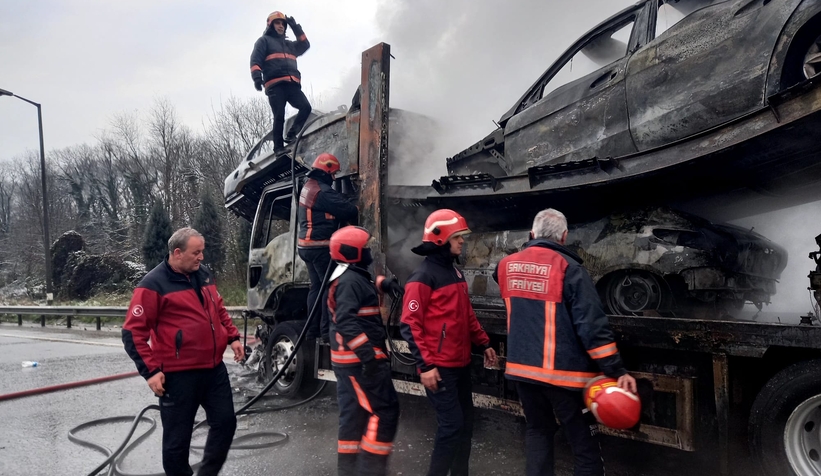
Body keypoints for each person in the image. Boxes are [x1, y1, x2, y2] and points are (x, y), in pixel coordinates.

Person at [493, 208, 637, 476]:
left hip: (522, 373)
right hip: (564, 378)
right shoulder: (570, 269)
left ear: (531, 234)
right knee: (584, 448)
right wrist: (615, 370)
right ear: (564, 237)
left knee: (538, 433)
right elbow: (592, 327)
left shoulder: (506, 266)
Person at [122, 227, 245, 476]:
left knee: (225, 423)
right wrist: (151, 372)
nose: (201, 257)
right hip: (178, 376)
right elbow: (133, 333)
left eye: (202, 252)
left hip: (213, 370)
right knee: (177, 442)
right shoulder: (152, 285)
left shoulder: (204, 275)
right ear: (177, 253)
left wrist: (232, 336)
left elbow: (218, 309)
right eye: (196, 252)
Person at [400, 209, 498, 476]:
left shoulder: (455, 275)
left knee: (465, 426)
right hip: (440, 369)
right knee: (452, 427)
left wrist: (484, 343)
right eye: (458, 236)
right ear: (441, 238)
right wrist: (426, 366)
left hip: (460, 365)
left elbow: (466, 315)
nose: (462, 241)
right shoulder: (422, 278)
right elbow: (410, 324)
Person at [327, 226, 403, 476]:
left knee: (353, 419)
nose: (369, 251)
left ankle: (347, 471)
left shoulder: (350, 275)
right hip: (358, 365)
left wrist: (384, 284)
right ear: (353, 252)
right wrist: (369, 357)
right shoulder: (349, 281)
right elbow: (346, 321)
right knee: (385, 412)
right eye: (365, 247)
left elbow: (364, 284)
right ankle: (371, 470)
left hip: (349, 364)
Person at [298, 152, 358, 340]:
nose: (333, 178)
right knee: (329, 287)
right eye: (332, 174)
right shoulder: (322, 192)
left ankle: (312, 331)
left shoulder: (309, 186)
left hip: (306, 247)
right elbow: (348, 210)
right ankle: (326, 332)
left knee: (316, 287)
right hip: (319, 247)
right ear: (325, 172)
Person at [250, 11, 312, 156]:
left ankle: (291, 135)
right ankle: (278, 148)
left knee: (306, 107)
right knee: (279, 115)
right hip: (275, 85)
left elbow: (305, 44)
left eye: (283, 24)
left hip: (292, 83)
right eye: (277, 23)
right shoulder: (264, 41)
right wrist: (257, 78)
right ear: (271, 25)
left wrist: (295, 27)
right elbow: (255, 60)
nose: (281, 26)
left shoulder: (290, 45)